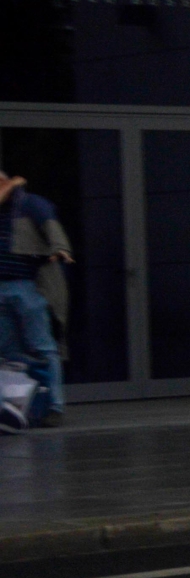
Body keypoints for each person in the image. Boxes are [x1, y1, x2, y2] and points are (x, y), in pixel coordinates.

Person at [0, 173, 72, 427]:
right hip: (2, 287)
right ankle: (21, 405)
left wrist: (59, 248)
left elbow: (50, 224)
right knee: (9, 351)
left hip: (27, 286)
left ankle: (54, 405)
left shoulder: (30, 204)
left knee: (42, 347)